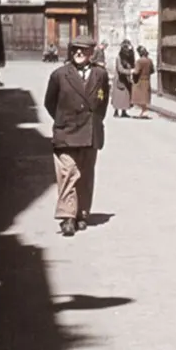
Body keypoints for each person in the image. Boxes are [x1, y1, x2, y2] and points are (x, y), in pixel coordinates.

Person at [43, 36, 111, 237]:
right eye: (75, 50)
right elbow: (50, 103)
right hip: (67, 132)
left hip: (90, 133)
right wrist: (64, 120)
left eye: (83, 50)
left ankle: (82, 213)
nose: (79, 53)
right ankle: (67, 217)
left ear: (92, 53)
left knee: (86, 175)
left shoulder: (100, 74)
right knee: (68, 174)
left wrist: (95, 122)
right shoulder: (60, 75)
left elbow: (103, 101)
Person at [131, 45, 154, 119]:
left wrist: (132, 71)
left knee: (138, 97)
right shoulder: (150, 60)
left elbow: (136, 72)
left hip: (140, 81)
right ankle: (144, 111)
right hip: (147, 80)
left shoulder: (139, 61)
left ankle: (144, 111)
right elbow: (152, 71)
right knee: (145, 97)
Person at [112, 39, 134, 118]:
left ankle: (124, 111)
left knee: (126, 96)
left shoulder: (128, 57)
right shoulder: (119, 57)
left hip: (126, 79)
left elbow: (131, 62)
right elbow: (120, 69)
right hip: (119, 79)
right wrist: (130, 71)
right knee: (118, 96)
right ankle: (116, 111)